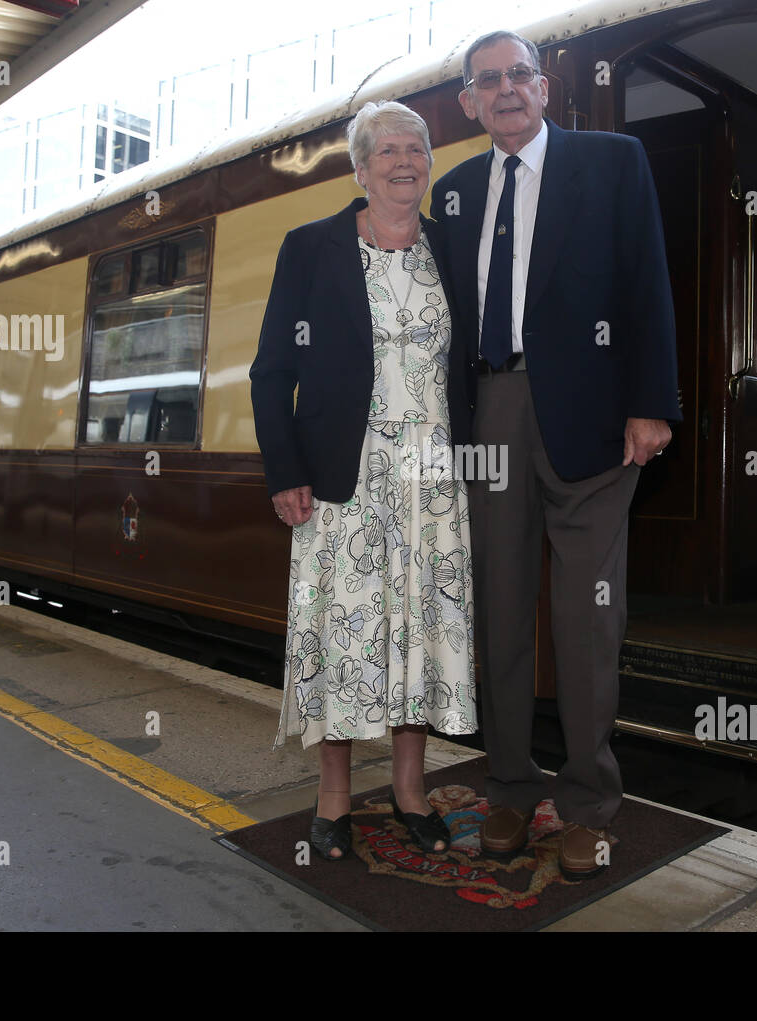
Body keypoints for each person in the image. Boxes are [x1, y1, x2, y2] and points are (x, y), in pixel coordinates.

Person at [430, 30, 680, 880]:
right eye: (487, 81)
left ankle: (587, 804)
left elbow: (648, 281)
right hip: (490, 411)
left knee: (585, 618)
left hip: (596, 418)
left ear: (547, 87)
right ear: (469, 101)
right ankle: (505, 785)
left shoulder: (614, 161)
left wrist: (653, 404)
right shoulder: (457, 191)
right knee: (497, 606)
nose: (505, 91)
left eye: (519, 76)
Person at [250, 101, 476, 862]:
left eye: (416, 149)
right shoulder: (311, 247)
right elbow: (271, 369)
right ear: (360, 167)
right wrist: (285, 469)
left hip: (432, 478)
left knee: (419, 632)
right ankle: (335, 795)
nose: (404, 161)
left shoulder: (450, 249)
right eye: (387, 151)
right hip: (343, 473)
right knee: (344, 634)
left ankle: (411, 788)